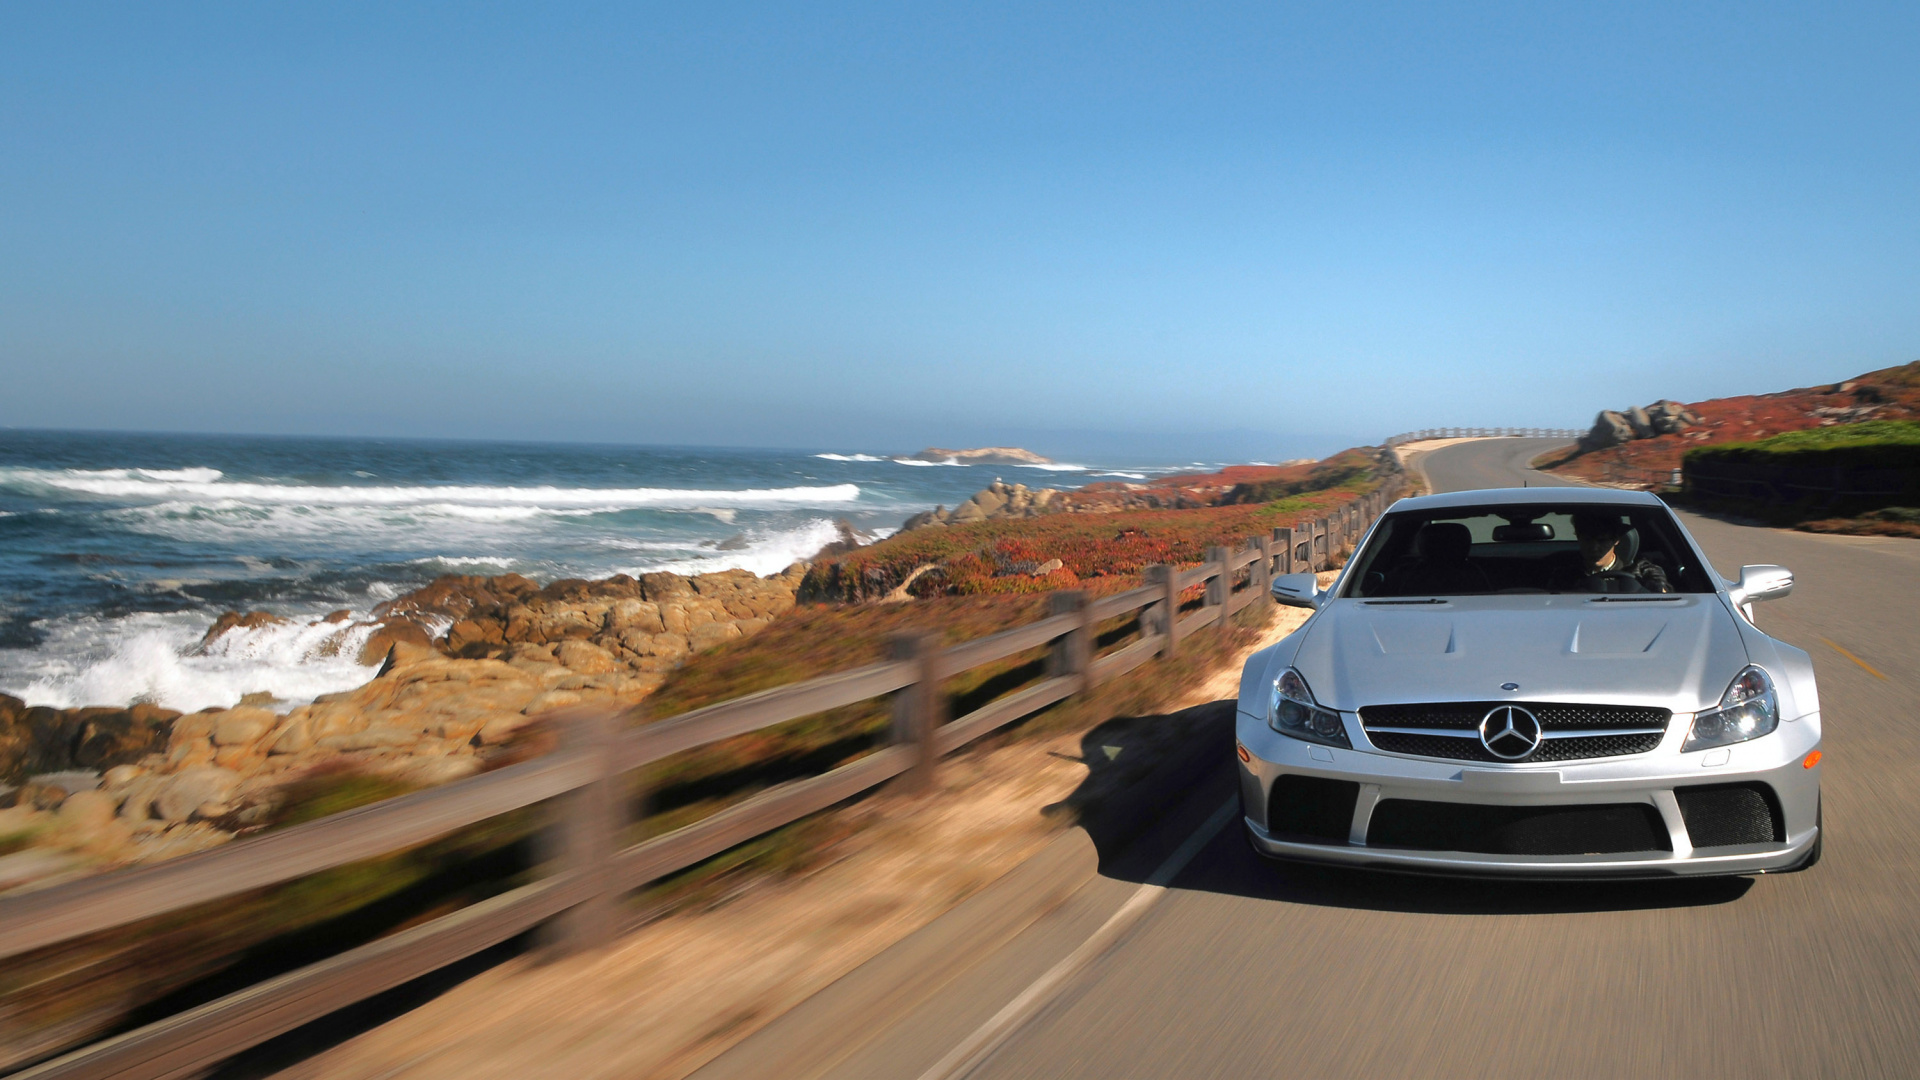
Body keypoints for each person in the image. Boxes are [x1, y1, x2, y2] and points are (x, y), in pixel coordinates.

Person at [1554, 513, 1672, 593]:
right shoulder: (1565, 571)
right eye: (1587, 540)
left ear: (1616, 540)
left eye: (1602, 541)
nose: (1594, 548)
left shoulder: (1643, 570)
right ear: (1578, 538)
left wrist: (1653, 587)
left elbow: (1663, 593)